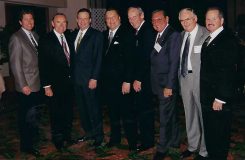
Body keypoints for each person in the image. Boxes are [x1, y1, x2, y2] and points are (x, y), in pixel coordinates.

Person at [200, 7, 238, 160]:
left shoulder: (227, 40)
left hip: (218, 99)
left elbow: (228, 72)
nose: (210, 22)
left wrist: (220, 98)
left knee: (220, 135)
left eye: (213, 18)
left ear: (222, 20)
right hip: (209, 96)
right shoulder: (210, 38)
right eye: (208, 19)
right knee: (211, 133)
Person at [101, 8, 137, 151]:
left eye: (113, 17)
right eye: (108, 18)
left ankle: (132, 142)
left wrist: (128, 81)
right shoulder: (104, 35)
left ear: (119, 18)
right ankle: (115, 138)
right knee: (113, 113)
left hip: (123, 84)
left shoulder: (127, 34)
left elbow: (130, 60)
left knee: (127, 113)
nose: (110, 20)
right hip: (109, 84)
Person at [38, 13, 74, 150]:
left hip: (69, 84)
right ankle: (58, 139)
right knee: (56, 113)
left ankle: (67, 136)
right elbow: (43, 64)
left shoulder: (69, 37)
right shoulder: (46, 39)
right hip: (54, 85)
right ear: (53, 23)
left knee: (68, 112)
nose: (62, 25)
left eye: (64, 22)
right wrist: (46, 86)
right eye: (58, 22)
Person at [9, 10, 41, 156]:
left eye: (31, 19)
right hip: (26, 85)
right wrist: (23, 85)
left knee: (33, 115)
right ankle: (26, 145)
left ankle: (31, 140)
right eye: (26, 20)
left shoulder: (35, 35)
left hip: (37, 83)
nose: (30, 22)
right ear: (20, 22)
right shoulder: (16, 38)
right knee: (26, 116)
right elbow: (15, 65)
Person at [178, 8, 209, 159]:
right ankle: (192, 145)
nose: (185, 23)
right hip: (184, 79)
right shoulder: (182, 35)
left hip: (200, 81)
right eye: (182, 21)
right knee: (189, 114)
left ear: (195, 18)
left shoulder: (206, 34)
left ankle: (204, 150)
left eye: (187, 19)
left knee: (203, 115)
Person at [150, 9, 181, 160]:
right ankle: (174, 141)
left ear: (167, 18)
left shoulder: (173, 35)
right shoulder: (159, 34)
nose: (156, 23)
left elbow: (174, 63)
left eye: (159, 19)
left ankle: (162, 148)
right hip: (159, 83)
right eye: (153, 20)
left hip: (166, 85)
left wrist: (169, 86)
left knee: (164, 117)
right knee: (171, 114)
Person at [72, 8, 104, 147]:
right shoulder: (73, 34)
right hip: (76, 80)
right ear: (77, 20)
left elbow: (98, 58)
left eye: (85, 18)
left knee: (93, 108)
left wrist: (94, 78)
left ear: (90, 20)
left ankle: (98, 136)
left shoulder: (97, 35)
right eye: (80, 18)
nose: (83, 21)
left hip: (90, 80)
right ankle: (88, 132)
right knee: (82, 109)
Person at [127, 6, 155, 151]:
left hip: (144, 79)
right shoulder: (137, 31)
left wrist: (138, 79)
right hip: (140, 78)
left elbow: (146, 58)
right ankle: (145, 137)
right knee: (141, 110)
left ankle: (148, 141)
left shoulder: (147, 31)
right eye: (129, 18)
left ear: (142, 15)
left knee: (145, 111)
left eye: (134, 16)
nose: (132, 20)